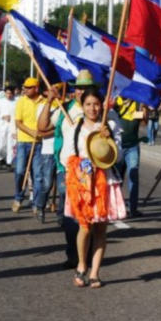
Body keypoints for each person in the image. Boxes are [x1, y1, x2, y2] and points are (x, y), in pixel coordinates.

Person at [64, 88, 125, 288]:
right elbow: (67, 157)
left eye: (96, 104)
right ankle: (82, 265)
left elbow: (119, 157)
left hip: (105, 181)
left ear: (102, 105)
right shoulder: (76, 128)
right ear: (82, 105)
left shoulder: (111, 125)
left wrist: (108, 141)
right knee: (85, 226)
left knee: (101, 228)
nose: (92, 108)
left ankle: (95, 273)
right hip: (82, 183)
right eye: (88, 104)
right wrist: (82, 167)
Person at [38, 70, 93, 269]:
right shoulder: (64, 108)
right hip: (66, 168)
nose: (81, 91)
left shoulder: (97, 109)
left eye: (86, 88)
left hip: (91, 169)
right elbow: (42, 128)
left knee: (89, 213)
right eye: (78, 88)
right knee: (69, 212)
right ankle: (73, 254)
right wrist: (50, 101)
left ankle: (88, 252)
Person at [12, 77, 44, 213]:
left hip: (38, 143)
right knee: (20, 171)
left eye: (29, 87)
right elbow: (18, 122)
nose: (25, 89)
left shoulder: (44, 101)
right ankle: (18, 197)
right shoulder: (21, 101)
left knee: (37, 175)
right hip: (23, 141)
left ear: (36, 88)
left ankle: (36, 203)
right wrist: (31, 131)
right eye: (24, 87)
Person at [33, 84, 63, 223]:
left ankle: (62, 214)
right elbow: (41, 131)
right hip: (49, 151)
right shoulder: (43, 107)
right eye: (52, 89)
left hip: (64, 151)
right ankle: (40, 206)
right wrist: (59, 128)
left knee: (63, 186)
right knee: (47, 183)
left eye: (58, 89)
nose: (56, 92)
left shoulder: (66, 107)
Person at [116, 97, 147, 218]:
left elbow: (144, 123)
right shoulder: (114, 103)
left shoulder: (138, 102)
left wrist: (144, 109)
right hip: (117, 147)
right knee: (117, 178)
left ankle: (133, 209)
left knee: (133, 176)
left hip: (133, 146)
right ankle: (117, 207)